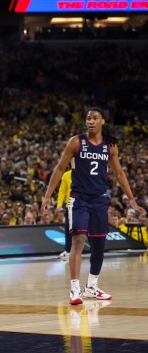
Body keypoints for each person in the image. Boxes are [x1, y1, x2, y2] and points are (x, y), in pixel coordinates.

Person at [41, 107, 146, 305]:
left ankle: (91, 287)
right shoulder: (76, 141)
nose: (90, 121)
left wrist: (131, 199)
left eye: (95, 118)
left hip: (99, 199)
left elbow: (120, 174)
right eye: (88, 118)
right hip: (79, 199)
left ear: (102, 122)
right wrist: (48, 196)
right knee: (78, 241)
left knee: (99, 245)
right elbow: (60, 168)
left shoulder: (110, 146)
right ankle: (74, 289)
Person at [56, 165, 73, 258]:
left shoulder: (85, 173)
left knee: (87, 229)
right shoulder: (66, 175)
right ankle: (68, 251)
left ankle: (95, 250)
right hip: (69, 206)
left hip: (83, 205)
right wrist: (59, 204)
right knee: (68, 230)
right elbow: (62, 191)